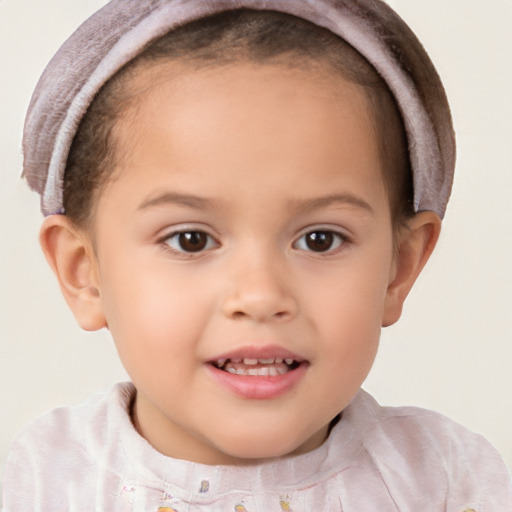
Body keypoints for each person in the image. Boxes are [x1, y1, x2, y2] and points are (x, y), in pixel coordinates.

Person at [2, 0, 511, 510]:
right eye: (191, 239)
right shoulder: (40, 484)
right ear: (83, 272)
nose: (261, 296)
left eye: (320, 239)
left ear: (398, 268)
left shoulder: (446, 482)